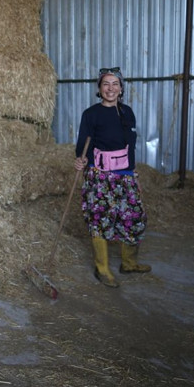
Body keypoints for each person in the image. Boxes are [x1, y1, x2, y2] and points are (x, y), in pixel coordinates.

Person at [73, 67, 151, 288]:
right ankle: (102, 269)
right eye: (106, 84)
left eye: (115, 84)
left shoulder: (127, 112)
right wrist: (81, 160)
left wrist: (133, 171)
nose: (110, 88)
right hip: (99, 176)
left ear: (121, 88)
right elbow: (83, 145)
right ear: (99, 88)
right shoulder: (91, 114)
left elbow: (131, 145)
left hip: (124, 175)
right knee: (99, 219)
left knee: (135, 216)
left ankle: (129, 263)